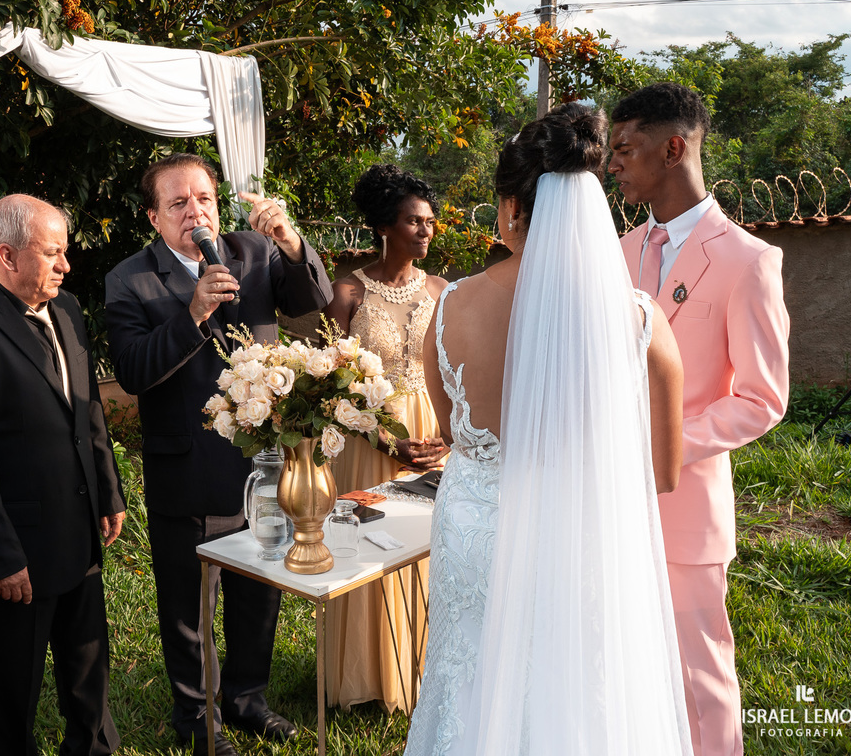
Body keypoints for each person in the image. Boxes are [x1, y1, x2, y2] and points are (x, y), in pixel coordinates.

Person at [405, 103, 692, 755]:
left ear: (510, 208)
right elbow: (664, 473)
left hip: (478, 536)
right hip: (583, 542)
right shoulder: (640, 320)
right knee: (575, 701)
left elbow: (452, 431)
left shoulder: (449, 305)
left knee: (465, 685)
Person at [104, 153, 333, 756]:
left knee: (260, 587)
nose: (194, 211)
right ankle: (196, 718)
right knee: (189, 601)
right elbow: (132, 373)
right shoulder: (131, 279)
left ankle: (248, 697)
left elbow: (314, 298)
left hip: (263, 460)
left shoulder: (252, 252)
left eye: (203, 198)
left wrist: (289, 242)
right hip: (188, 464)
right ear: (154, 217)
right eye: (178, 203)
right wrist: (194, 312)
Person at [610, 82, 790, 756]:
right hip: (610, 503)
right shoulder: (618, 252)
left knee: (698, 677)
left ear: (674, 146)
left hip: (684, 506)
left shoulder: (748, 261)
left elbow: (762, 398)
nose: (614, 163)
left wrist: (663, 445)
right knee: (626, 661)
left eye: (626, 148)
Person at [0, 194, 125, 756]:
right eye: (53, 253)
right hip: (18, 551)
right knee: (14, 690)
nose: (65, 265)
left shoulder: (69, 309)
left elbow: (88, 410)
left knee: (89, 670)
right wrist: (1, 555)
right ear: (6, 257)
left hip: (79, 529)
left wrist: (109, 492)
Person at [322, 164, 448, 714]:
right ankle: (362, 681)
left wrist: (445, 438)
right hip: (365, 440)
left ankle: (418, 672)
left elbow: (455, 372)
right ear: (384, 226)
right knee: (365, 549)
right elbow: (328, 387)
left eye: (429, 221)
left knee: (424, 549)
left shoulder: (445, 291)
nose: (426, 230)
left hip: (428, 433)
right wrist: (384, 439)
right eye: (413, 221)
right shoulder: (347, 292)